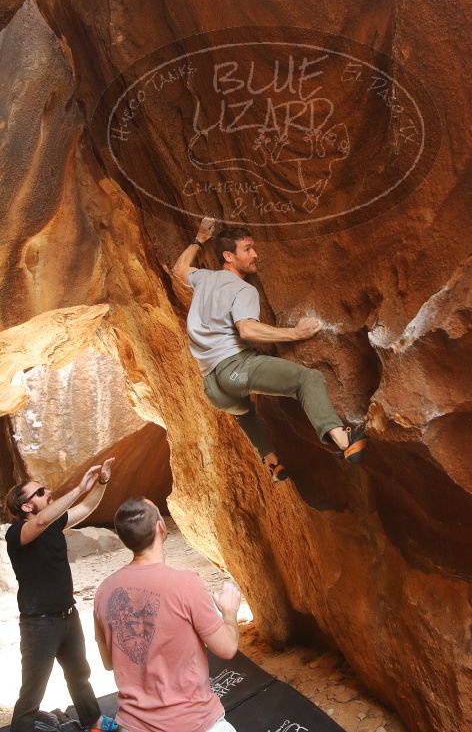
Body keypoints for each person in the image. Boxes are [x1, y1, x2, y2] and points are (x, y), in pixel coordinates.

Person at [171, 217, 368, 482]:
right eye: (247, 249)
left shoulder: (204, 279)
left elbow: (179, 268)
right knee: (307, 380)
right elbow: (248, 330)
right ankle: (343, 439)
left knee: (246, 413)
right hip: (235, 369)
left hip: (214, 389)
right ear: (228, 256)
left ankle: (273, 464)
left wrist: (199, 239)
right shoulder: (243, 289)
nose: (255, 254)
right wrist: (295, 333)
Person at [94, 497, 240, 732]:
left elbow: (109, 662)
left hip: (133, 725)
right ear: (160, 527)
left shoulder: (104, 591)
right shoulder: (185, 584)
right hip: (193, 722)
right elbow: (227, 648)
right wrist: (230, 612)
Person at [5, 458, 115, 732]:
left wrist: (101, 482)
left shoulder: (53, 525)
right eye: (40, 492)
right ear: (26, 506)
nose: (48, 492)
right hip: (39, 624)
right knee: (32, 693)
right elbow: (42, 520)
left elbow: (88, 507)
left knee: (80, 676)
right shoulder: (17, 533)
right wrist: (79, 487)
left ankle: (95, 722)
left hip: (68, 615)